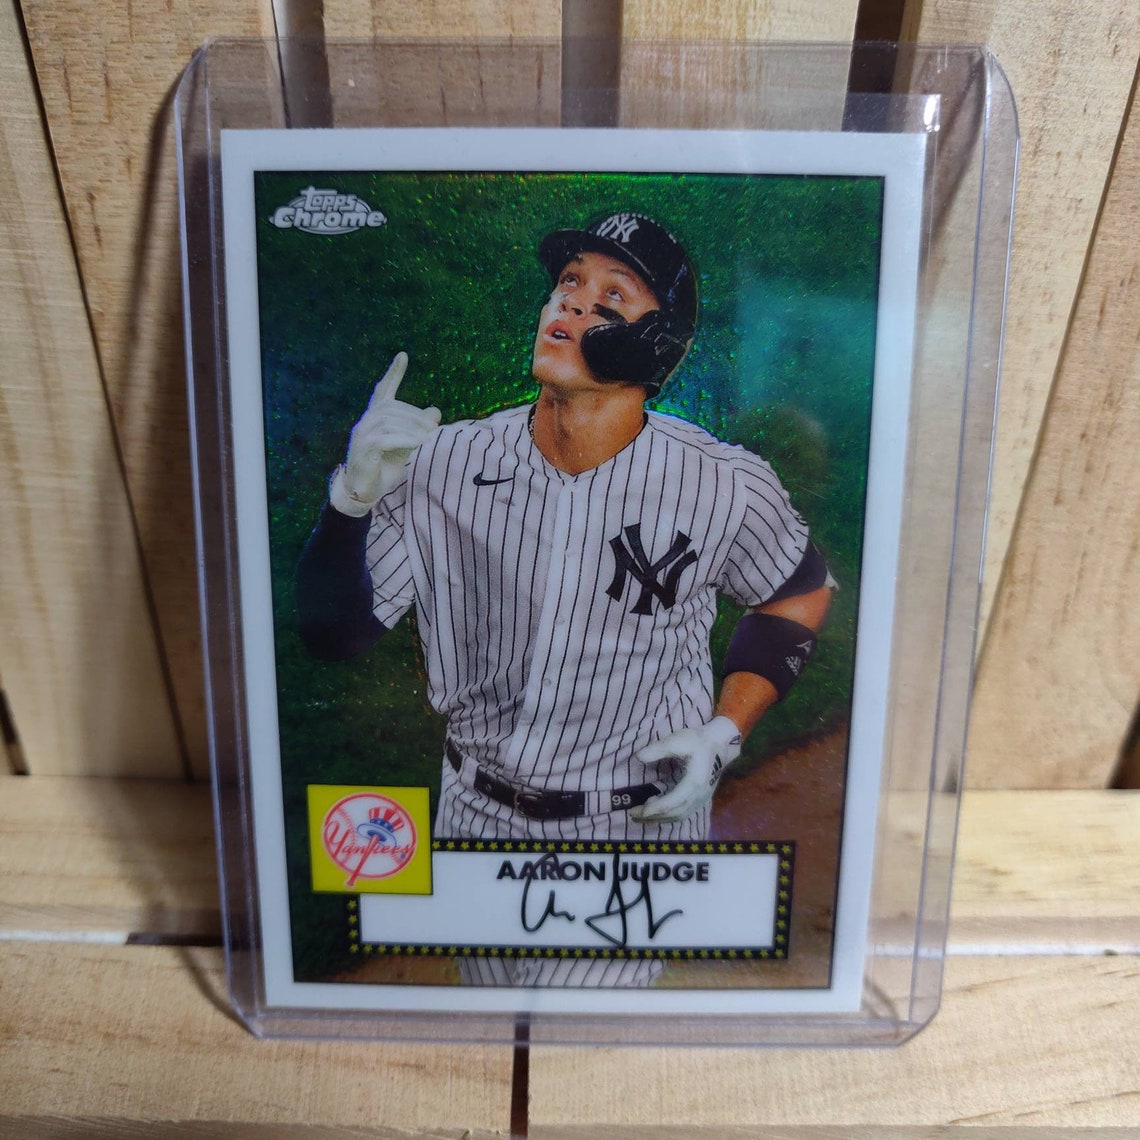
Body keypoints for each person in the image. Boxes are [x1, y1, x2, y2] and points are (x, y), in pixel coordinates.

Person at [297, 213, 831, 981]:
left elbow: (796, 593)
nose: (573, 302)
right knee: (491, 1022)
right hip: (473, 813)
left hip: (630, 825)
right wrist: (350, 501)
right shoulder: (444, 460)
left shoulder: (724, 483)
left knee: (580, 1036)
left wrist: (724, 733)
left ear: (657, 346)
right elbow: (334, 635)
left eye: (612, 298)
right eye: (568, 283)